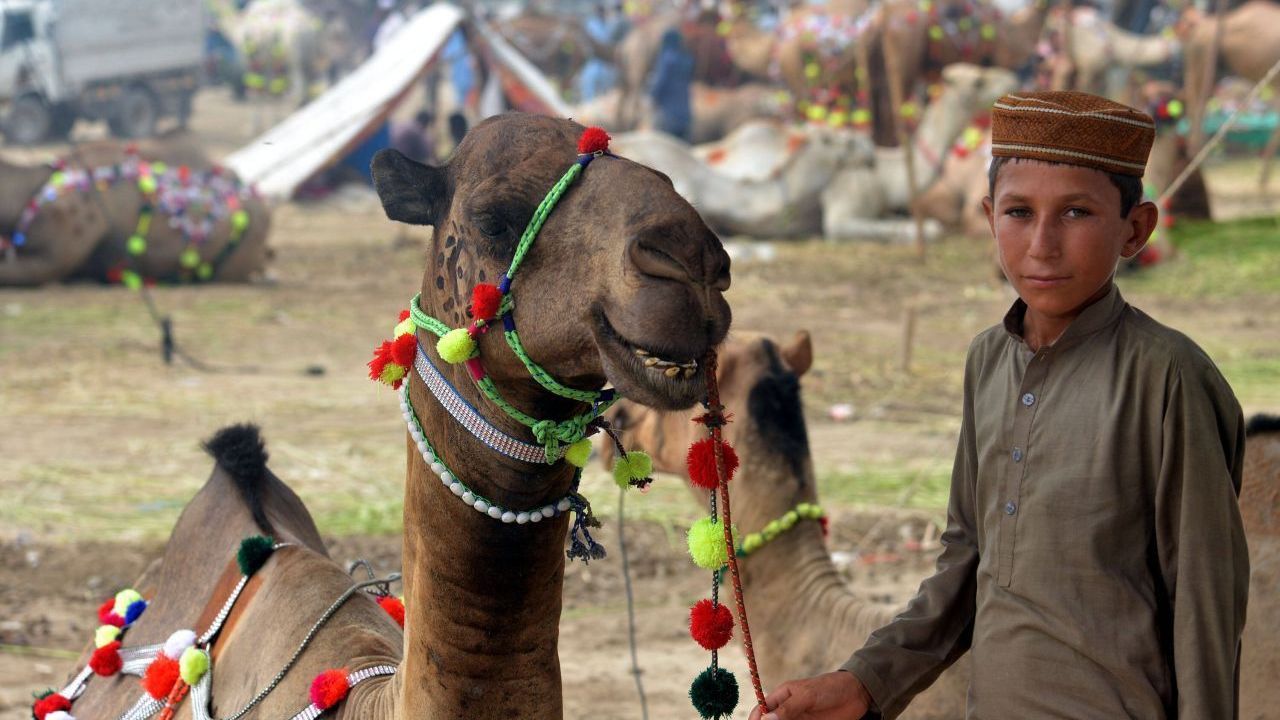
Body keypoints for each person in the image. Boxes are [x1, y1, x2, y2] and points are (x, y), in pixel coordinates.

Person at [750, 91, 1250, 719]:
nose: (1042, 243)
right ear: (989, 217)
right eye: (1018, 212)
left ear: (1135, 229)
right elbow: (967, 562)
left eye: (1075, 212)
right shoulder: (987, 362)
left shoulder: (1169, 377)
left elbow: (1205, 607)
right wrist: (863, 683)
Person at [648, 28, 695, 140]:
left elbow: (660, 83)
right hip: (685, 113)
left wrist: (652, 96)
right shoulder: (687, 58)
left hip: (668, 114)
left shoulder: (666, 58)